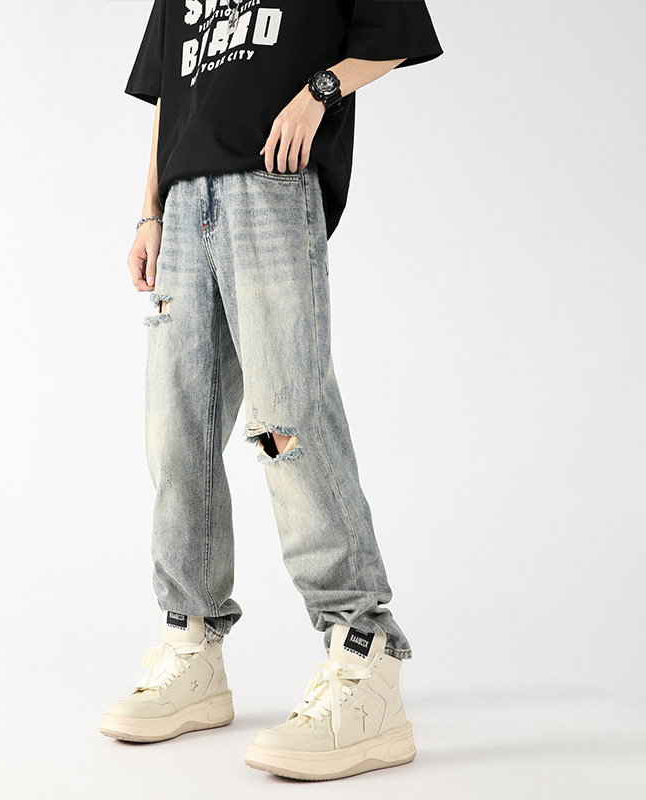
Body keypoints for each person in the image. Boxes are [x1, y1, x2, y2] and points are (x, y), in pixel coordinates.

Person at [100, 0, 442, 781]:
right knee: (176, 432)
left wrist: (320, 91)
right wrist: (149, 211)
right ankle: (192, 645)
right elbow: (168, 93)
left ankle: (364, 653)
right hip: (184, 203)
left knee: (286, 421)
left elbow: (397, 29)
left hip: (271, 186)